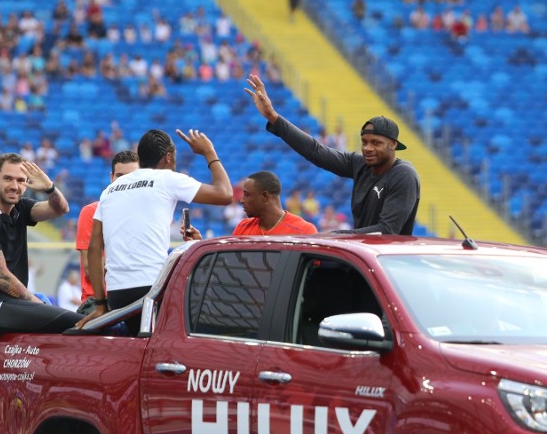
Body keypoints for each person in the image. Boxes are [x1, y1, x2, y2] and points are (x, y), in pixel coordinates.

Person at [78, 129, 233, 333]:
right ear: (169, 156)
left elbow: (95, 247)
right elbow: (225, 194)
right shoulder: (166, 178)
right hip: (152, 289)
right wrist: (209, 152)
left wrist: (100, 304)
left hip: (117, 294)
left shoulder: (110, 190)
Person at [245, 74, 420, 235]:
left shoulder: (403, 174)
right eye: (364, 142)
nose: (367, 148)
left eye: (376, 143)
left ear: (393, 145)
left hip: (387, 261)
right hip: (366, 256)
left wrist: (337, 236)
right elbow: (316, 151)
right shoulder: (360, 164)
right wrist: (273, 117)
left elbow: (387, 231)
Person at [0, 153, 83, 338]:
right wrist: (37, 303)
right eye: (8, 179)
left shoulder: (21, 208)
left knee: (77, 320)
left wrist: (49, 187)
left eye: (20, 180)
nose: (14, 186)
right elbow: (1, 277)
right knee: (78, 322)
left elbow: (61, 209)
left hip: (13, 306)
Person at [75, 151, 140, 313]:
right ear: (111, 178)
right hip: (97, 302)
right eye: (120, 176)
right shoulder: (91, 212)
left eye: (131, 176)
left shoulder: (144, 215)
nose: (125, 182)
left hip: (134, 299)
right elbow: (91, 268)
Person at [185, 170, 316, 238]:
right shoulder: (242, 227)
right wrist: (199, 243)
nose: (241, 200)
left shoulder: (304, 231)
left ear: (265, 196)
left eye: (247, 194)